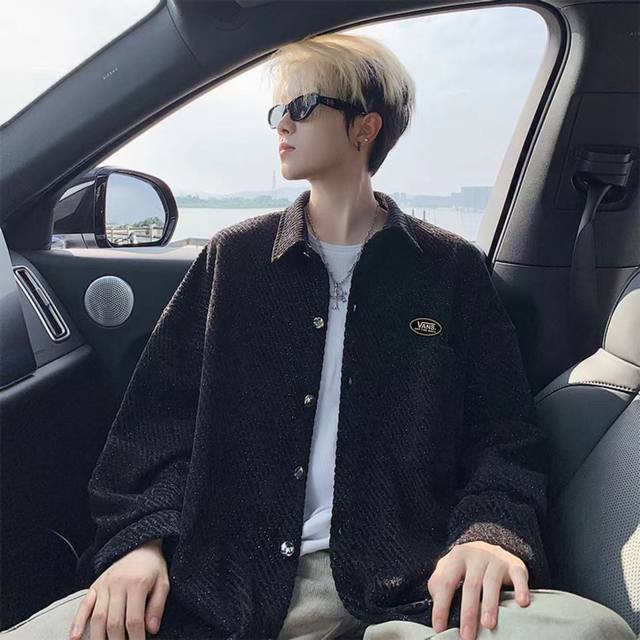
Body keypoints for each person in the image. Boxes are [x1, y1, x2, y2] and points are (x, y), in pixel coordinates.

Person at [1, 33, 636, 640]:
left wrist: (488, 535)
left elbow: (504, 436)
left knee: (591, 629)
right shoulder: (233, 259)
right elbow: (154, 423)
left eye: (301, 106)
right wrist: (140, 542)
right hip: (220, 579)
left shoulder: (450, 270)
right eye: (277, 110)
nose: (281, 124)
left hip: (409, 586)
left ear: (365, 127)